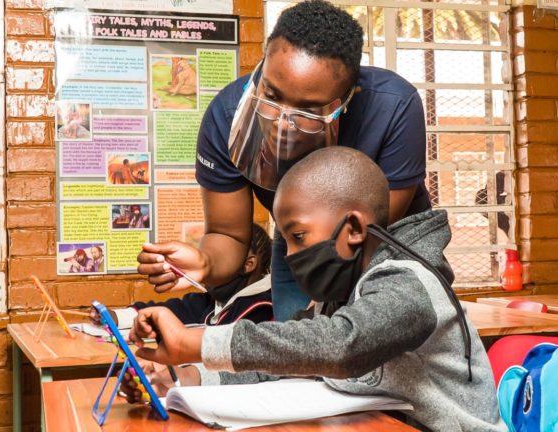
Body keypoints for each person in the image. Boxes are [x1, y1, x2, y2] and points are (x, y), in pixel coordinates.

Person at [123, 147, 505, 431]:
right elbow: (284, 366)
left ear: (354, 229)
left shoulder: (411, 285)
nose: (289, 256)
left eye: (299, 236)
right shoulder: (338, 292)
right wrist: (185, 377)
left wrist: (198, 342)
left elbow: (343, 347)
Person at [137, 0, 430, 322]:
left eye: (307, 110)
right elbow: (229, 236)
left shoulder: (393, 107)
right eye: (272, 96)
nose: (280, 122)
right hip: (298, 242)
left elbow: (370, 236)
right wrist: (206, 262)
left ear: (348, 98)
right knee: (297, 354)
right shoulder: (226, 118)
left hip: (385, 242)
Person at [91, 223, 273, 328]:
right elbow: (167, 311)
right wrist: (114, 316)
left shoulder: (263, 308)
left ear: (248, 265)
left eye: (217, 258)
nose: (206, 262)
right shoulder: (213, 299)